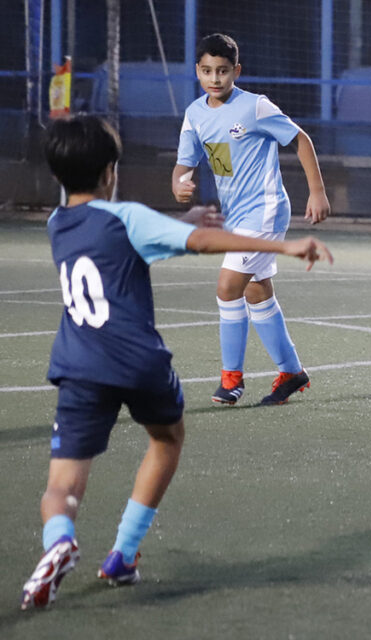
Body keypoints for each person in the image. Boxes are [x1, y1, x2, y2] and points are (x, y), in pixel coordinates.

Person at [20, 115, 332, 611]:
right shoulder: (127, 217)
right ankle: (123, 553)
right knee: (166, 439)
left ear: (59, 176)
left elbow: (124, 245)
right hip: (139, 362)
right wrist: (284, 245)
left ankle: (59, 540)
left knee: (62, 486)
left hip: (78, 367)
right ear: (110, 171)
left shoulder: (58, 225)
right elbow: (200, 242)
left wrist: (179, 225)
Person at [171, 33, 331, 406]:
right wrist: (179, 184)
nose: (215, 78)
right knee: (255, 291)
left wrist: (318, 191)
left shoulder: (255, 107)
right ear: (197, 71)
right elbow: (184, 163)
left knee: (227, 287)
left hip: (266, 210)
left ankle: (231, 381)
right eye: (208, 71)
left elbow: (301, 139)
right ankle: (292, 373)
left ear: (236, 71)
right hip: (237, 216)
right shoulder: (195, 114)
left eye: (223, 71)